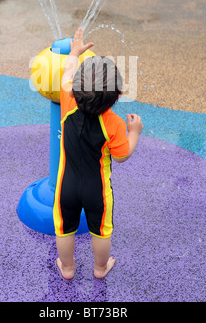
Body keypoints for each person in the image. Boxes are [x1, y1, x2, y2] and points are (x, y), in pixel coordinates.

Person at [53, 27, 143, 279]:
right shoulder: (114, 123)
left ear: (77, 87)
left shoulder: (68, 99)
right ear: (117, 96)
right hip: (98, 190)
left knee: (64, 229)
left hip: (66, 185)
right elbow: (122, 156)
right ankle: (100, 268)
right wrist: (134, 132)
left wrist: (74, 52)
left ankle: (68, 268)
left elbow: (67, 73)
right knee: (101, 231)